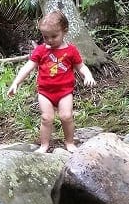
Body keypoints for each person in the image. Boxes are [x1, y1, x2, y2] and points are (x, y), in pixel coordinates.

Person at [6, 10, 96, 153]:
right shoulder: (41, 50)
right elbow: (28, 67)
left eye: (54, 36)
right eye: (45, 37)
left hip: (65, 92)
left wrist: (88, 76)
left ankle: (70, 142)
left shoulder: (71, 51)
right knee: (46, 118)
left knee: (66, 116)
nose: (50, 40)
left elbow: (81, 66)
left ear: (64, 31)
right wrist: (16, 82)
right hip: (45, 92)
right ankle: (44, 145)